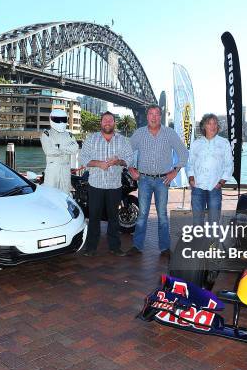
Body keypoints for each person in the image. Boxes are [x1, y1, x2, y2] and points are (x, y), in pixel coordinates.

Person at [126, 104, 189, 257]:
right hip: (144, 179)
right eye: (151, 114)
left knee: (162, 215)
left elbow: (184, 153)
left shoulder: (169, 133)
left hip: (163, 180)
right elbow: (126, 151)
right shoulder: (139, 133)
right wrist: (130, 168)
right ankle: (137, 246)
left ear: (160, 116)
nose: (154, 117)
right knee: (142, 215)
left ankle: (165, 248)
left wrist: (175, 171)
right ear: (147, 116)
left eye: (156, 114)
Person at [78, 111, 134, 257]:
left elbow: (129, 159)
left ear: (114, 123)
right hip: (95, 184)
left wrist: (119, 162)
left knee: (114, 217)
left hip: (114, 185)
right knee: (94, 217)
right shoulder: (92, 139)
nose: (107, 122)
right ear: (101, 123)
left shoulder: (122, 140)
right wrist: (98, 164)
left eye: (110, 120)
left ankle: (115, 247)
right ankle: (91, 248)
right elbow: (82, 158)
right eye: (105, 120)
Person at [187, 113, 233, 227]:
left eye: (215, 124)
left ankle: (213, 245)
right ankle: (198, 244)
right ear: (204, 126)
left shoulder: (224, 143)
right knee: (197, 221)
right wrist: (191, 179)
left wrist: (221, 182)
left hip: (214, 188)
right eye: (209, 123)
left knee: (214, 222)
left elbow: (229, 165)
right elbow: (190, 163)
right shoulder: (196, 144)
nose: (212, 126)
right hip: (197, 187)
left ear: (218, 127)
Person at [40, 109, 79, 194]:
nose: (61, 122)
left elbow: (75, 148)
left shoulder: (69, 134)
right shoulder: (46, 134)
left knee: (65, 194)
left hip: (65, 170)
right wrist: (67, 148)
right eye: (58, 120)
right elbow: (49, 151)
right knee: (50, 194)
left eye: (63, 119)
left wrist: (58, 147)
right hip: (53, 170)